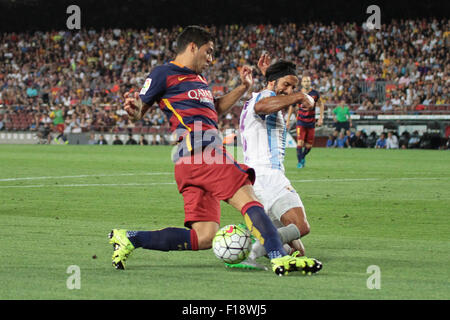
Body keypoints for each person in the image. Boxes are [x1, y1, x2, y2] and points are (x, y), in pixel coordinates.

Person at [108, 26, 322, 276]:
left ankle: (130, 238)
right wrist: (133, 109)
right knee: (248, 198)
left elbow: (215, 108)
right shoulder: (164, 73)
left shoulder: (199, 80)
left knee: (204, 236)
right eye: (208, 52)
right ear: (192, 47)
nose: (211, 59)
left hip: (189, 162)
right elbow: (138, 111)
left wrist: (243, 87)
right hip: (203, 150)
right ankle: (278, 258)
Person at [236, 57, 316, 269]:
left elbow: (269, 98)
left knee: (298, 251)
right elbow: (263, 106)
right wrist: (300, 96)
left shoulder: (263, 94)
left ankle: (256, 240)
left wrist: (272, 78)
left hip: (256, 180)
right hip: (268, 176)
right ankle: (247, 248)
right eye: (287, 85)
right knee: (301, 225)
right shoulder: (264, 97)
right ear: (272, 83)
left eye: (294, 87)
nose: (290, 91)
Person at [287, 76, 324, 168]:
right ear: (302, 83)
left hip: (311, 122)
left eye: (308, 81)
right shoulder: (298, 94)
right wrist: (288, 120)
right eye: (304, 81)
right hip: (301, 122)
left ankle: (302, 157)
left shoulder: (315, 93)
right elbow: (292, 106)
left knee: (309, 146)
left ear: (310, 82)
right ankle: (300, 162)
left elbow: (321, 104)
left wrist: (320, 118)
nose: (306, 82)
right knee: (300, 142)